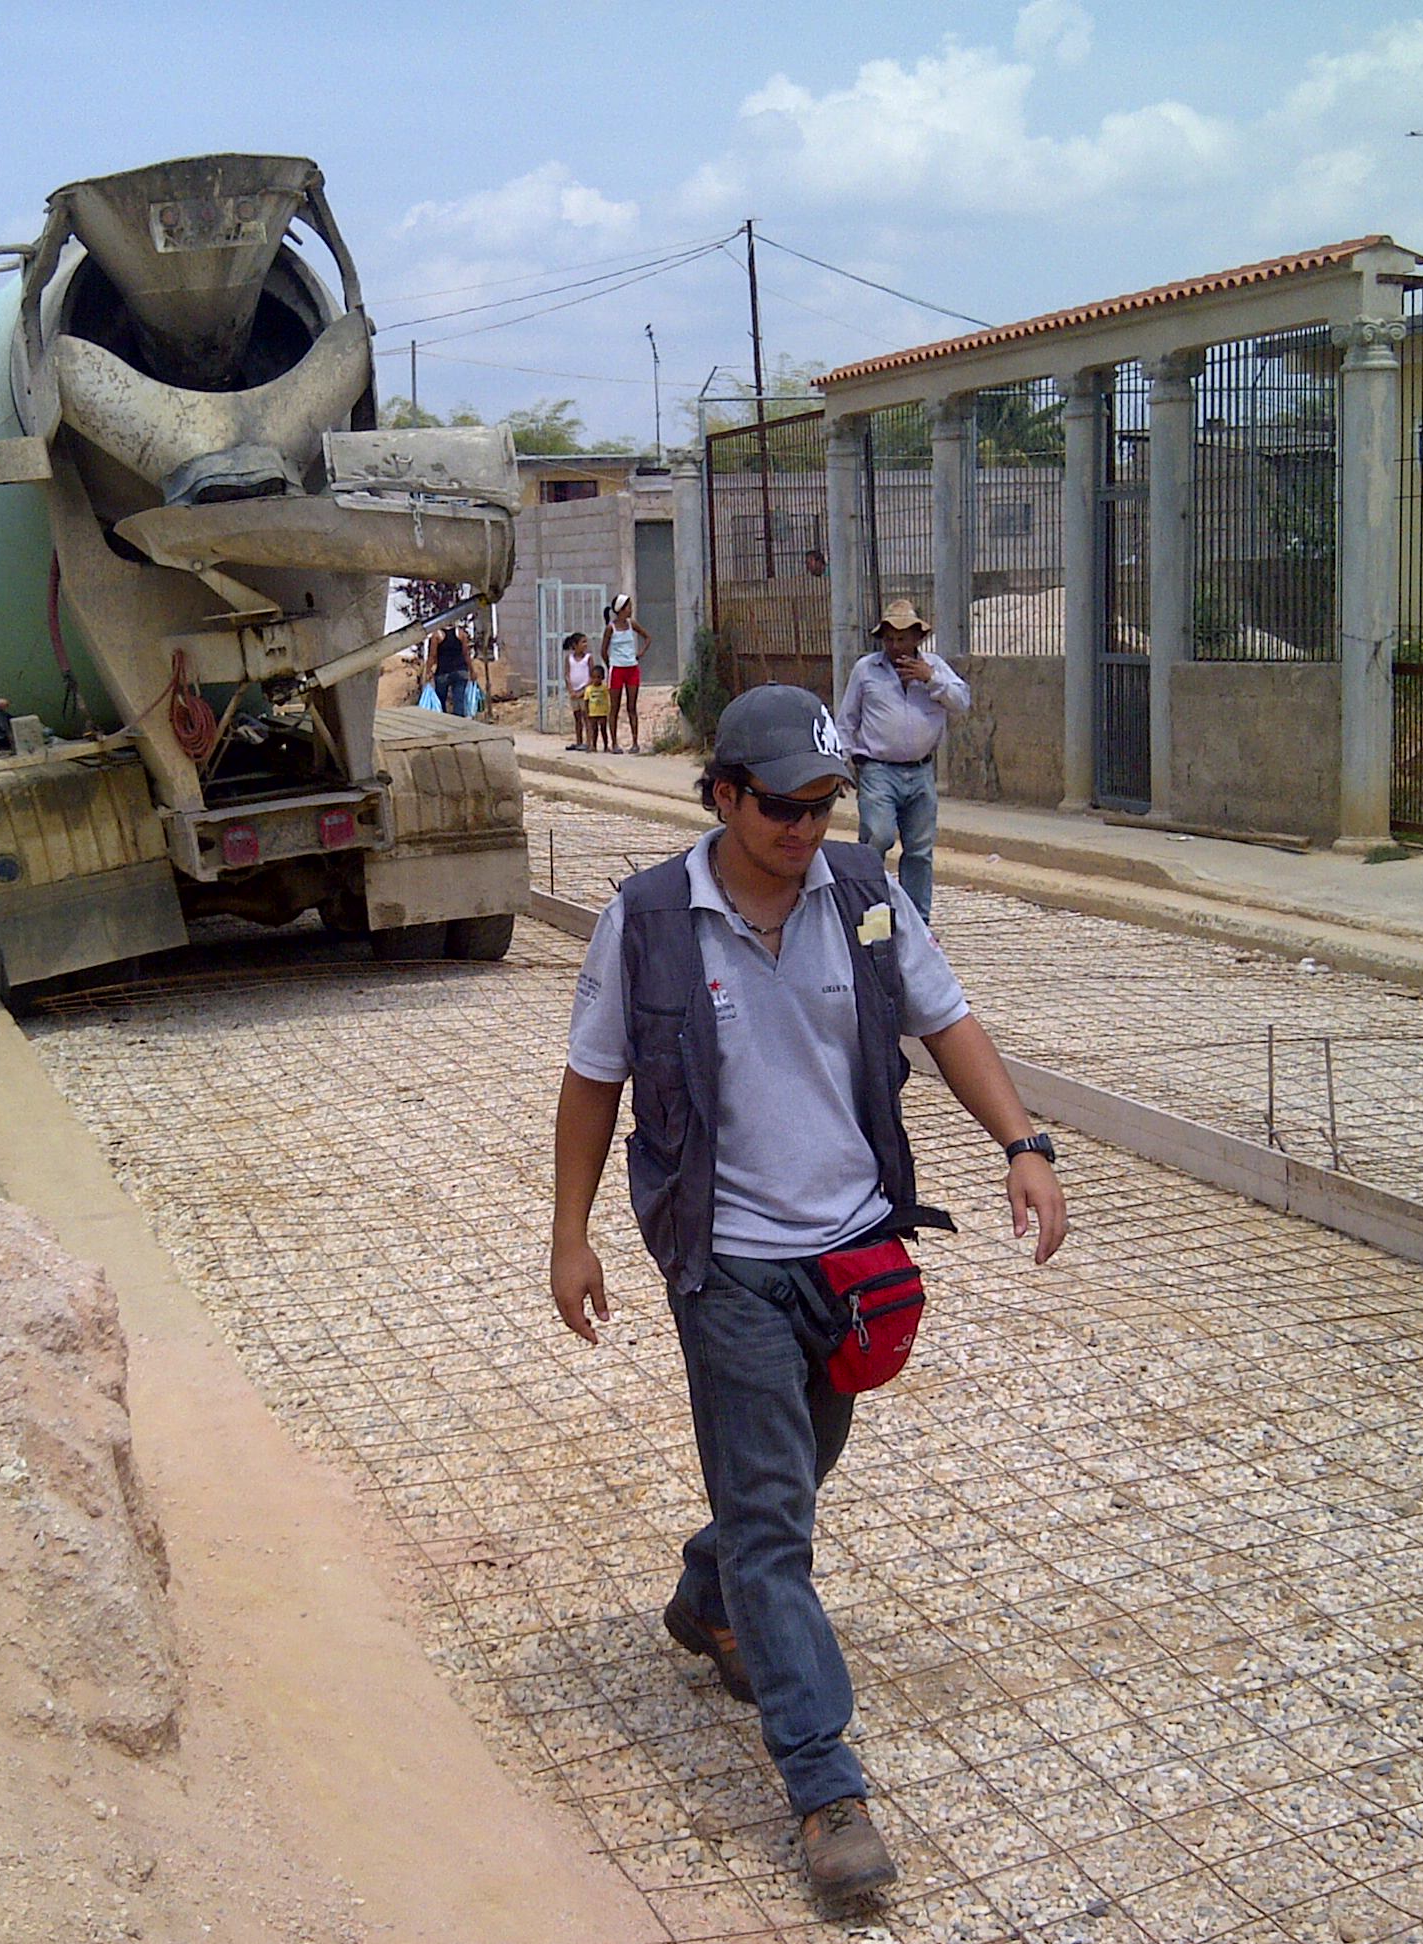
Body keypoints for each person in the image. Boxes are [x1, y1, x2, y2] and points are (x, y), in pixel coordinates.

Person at [549, 684, 1067, 1904]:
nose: (805, 826)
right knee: (779, 1513)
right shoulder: (651, 919)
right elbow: (590, 1084)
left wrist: (1023, 1145)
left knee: (792, 1467)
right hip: (725, 1257)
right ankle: (824, 1784)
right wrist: (569, 1237)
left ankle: (704, 1593)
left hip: (849, 1253)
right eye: (782, 805)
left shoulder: (866, 901)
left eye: (824, 803)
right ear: (722, 794)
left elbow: (948, 1025)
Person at [835, 598, 970, 925]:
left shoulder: (935, 668)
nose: (896, 646)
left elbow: (962, 701)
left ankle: (916, 924)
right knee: (877, 839)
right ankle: (869, 916)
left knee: (920, 852)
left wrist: (930, 678)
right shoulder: (866, 669)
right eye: (890, 639)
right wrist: (840, 764)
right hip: (878, 771)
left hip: (921, 771)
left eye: (902, 638)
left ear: (917, 639)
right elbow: (846, 720)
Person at [601, 596, 650, 752]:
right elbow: (603, 650)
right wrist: (611, 664)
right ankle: (614, 743)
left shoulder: (631, 624)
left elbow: (647, 637)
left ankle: (635, 742)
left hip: (631, 668)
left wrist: (640, 654)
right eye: (628, 607)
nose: (631, 609)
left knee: (632, 706)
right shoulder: (611, 628)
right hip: (617, 669)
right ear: (621, 609)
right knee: (614, 707)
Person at [563, 630, 596, 749]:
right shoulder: (569, 658)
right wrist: (571, 690)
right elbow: (567, 674)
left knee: (587, 717)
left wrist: (583, 690)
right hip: (574, 692)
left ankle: (589, 742)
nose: (585, 645)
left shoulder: (588, 658)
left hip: (585, 692)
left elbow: (592, 675)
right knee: (577, 718)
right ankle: (579, 741)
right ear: (575, 645)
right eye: (583, 642)